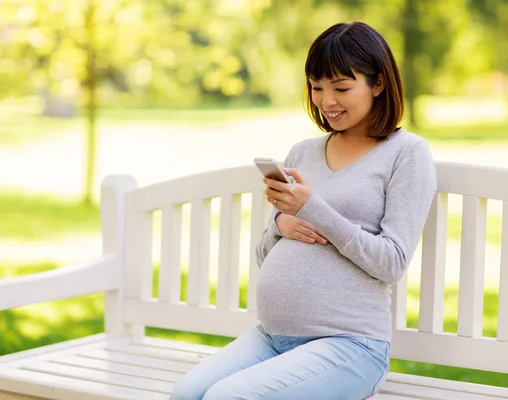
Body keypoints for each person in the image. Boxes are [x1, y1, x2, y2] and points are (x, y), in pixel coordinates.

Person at [170, 21, 437, 400]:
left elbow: (392, 263)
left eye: (341, 87)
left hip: (351, 346)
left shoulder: (407, 154)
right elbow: (265, 252)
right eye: (317, 87)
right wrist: (281, 223)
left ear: (378, 84)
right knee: (186, 395)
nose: (327, 101)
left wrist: (313, 208)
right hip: (272, 337)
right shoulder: (303, 153)